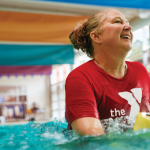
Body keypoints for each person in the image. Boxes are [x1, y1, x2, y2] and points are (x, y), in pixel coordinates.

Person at [65, 9, 150, 136]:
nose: (128, 26)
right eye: (118, 22)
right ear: (96, 36)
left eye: (127, 23)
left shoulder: (140, 71)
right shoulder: (80, 78)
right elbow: (91, 135)